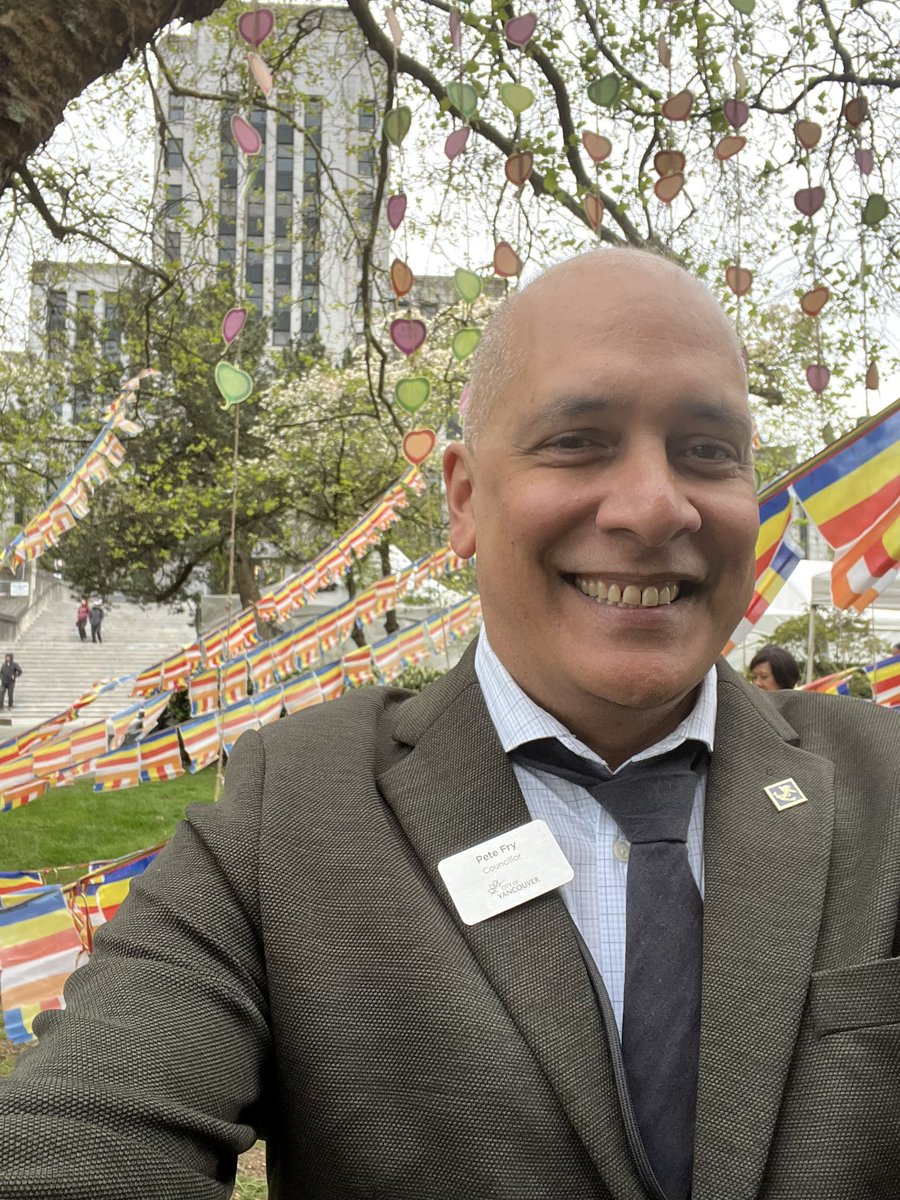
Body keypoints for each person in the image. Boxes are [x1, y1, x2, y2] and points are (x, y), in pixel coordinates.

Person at [1, 249, 898, 1200]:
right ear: (465, 497)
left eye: (708, 452)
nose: (652, 507)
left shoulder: (885, 785)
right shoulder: (290, 805)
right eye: (578, 441)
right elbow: (72, 1146)